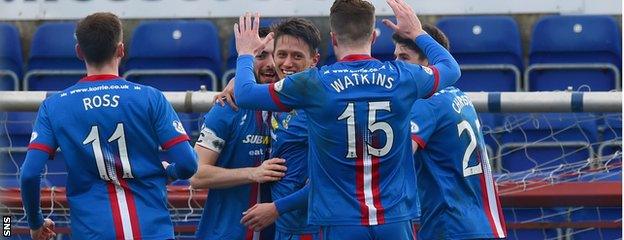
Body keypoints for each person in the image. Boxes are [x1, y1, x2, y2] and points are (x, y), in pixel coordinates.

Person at [231, 0, 461, 239]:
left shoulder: (313, 83)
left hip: (341, 220)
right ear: (373, 37)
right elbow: (451, 69)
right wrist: (417, 32)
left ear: (333, 39)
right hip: (394, 218)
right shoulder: (403, 76)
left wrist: (246, 53)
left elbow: (245, 93)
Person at [20, 12, 198, 240]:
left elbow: (29, 174)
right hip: (153, 231)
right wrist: (169, 172)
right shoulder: (150, 98)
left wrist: (35, 223)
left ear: (79, 52)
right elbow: (188, 163)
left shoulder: (55, 106)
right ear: (121, 50)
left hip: (93, 232)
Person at [394, 26, 508, 239]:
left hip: (450, 226)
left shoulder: (425, 103)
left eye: (404, 57)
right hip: (485, 224)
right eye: (396, 57)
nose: (397, 66)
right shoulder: (458, 95)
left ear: (428, 63)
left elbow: (396, 159)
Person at [189, 27, 287, 240]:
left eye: (276, 55)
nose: (270, 63)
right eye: (261, 55)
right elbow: (196, 174)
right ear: (247, 61)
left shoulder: (297, 109)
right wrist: (251, 173)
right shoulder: (228, 106)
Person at [238, 18, 322, 240]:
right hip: (285, 228)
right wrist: (232, 84)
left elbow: (328, 179)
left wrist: (277, 208)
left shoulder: (321, 107)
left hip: (312, 228)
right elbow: (247, 89)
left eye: (297, 56)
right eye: (282, 55)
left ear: (314, 60)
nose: (287, 63)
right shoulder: (279, 95)